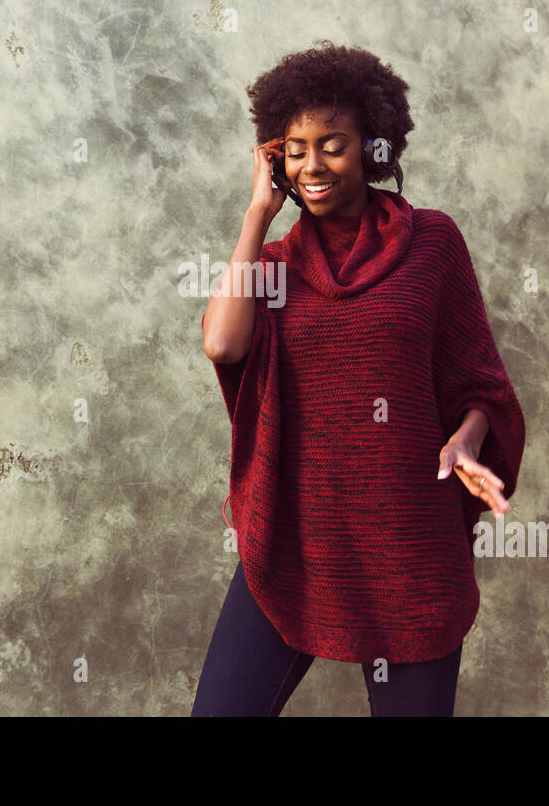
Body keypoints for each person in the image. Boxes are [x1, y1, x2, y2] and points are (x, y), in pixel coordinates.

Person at [193, 39, 526, 716]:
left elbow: (479, 381)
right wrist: (259, 212)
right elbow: (223, 344)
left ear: (375, 148)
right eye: (294, 148)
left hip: (408, 542)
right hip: (295, 537)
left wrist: (466, 439)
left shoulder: (433, 243)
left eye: (333, 144)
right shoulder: (277, 267)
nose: (311, 164)